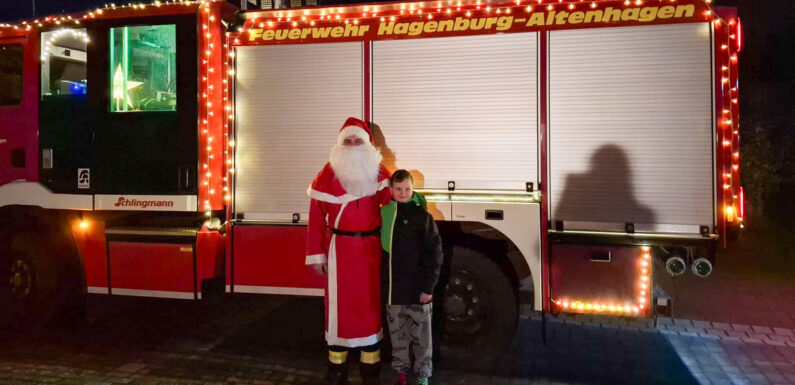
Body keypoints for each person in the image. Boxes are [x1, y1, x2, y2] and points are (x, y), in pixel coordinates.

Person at [306, 117, 392, 385]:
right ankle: (336, 372)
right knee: (339, 311)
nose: (353, 146)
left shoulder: (379, 174)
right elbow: (316, 219)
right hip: (339, 253)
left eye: (358, 141)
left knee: (368, 308)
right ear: (339, 145)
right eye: (348, 141)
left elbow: (396, 205)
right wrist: (317, 255)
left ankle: (370, 373)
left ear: (368, 145)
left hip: (369, 252)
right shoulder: (327, 175)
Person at [380, 170, 443, 385]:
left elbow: (435, 253)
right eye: (398, 189)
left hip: (418, 290)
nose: (403, 193)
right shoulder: (385, 214)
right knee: (398, 335)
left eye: (407, 189)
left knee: (422, 337)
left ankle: (423, 375)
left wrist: (428, 287)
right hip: (394, 291)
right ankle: (401, 372)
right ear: (391, 190)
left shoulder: (422, 217)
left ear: (413, 188)